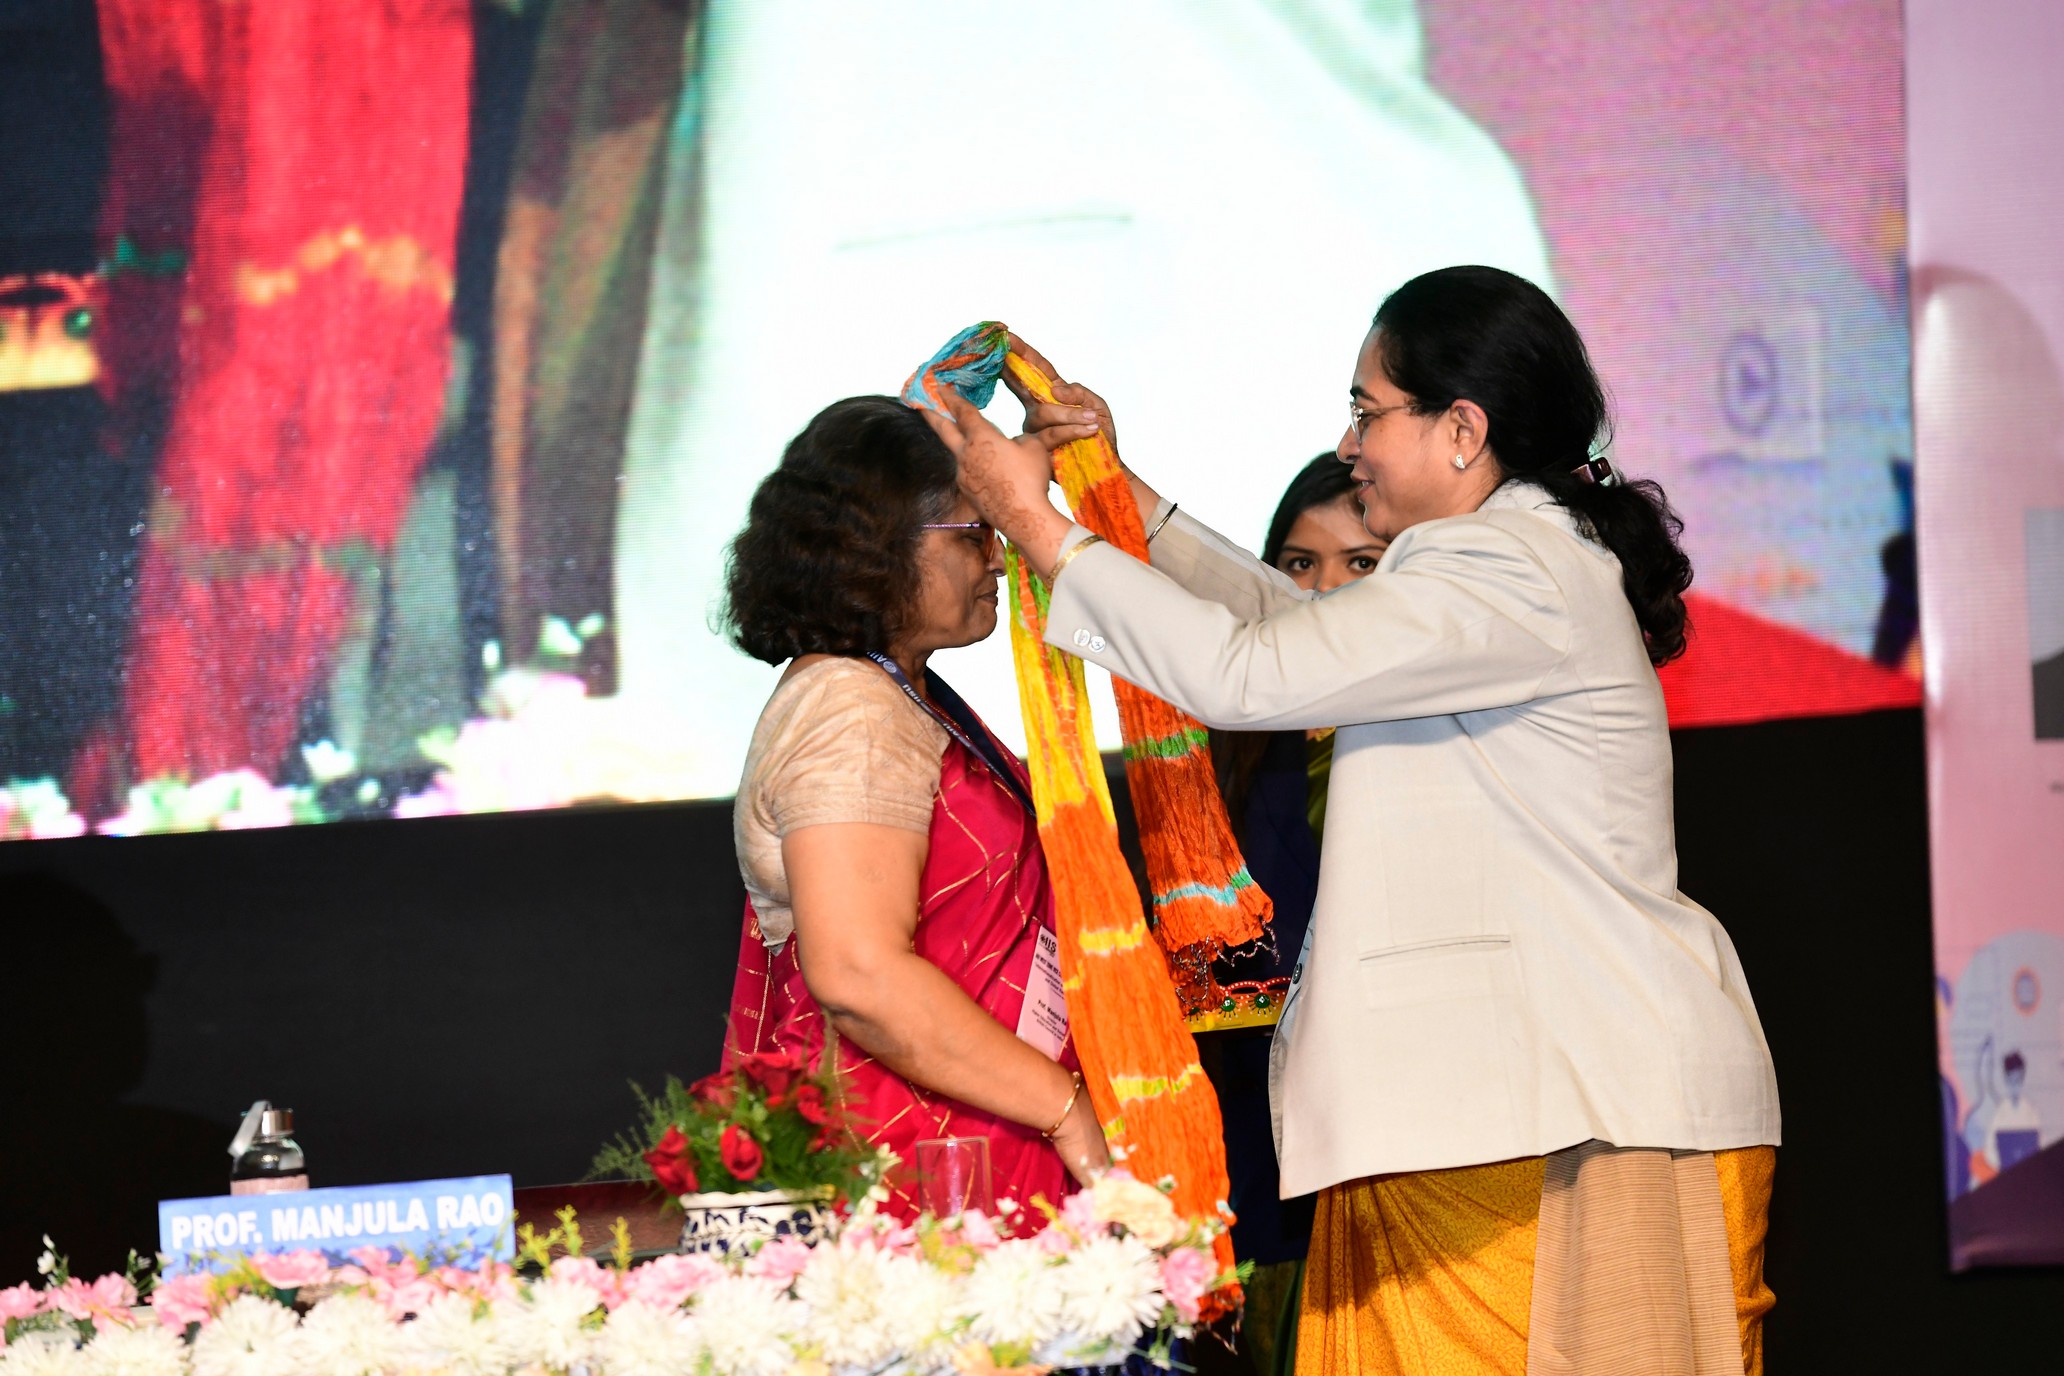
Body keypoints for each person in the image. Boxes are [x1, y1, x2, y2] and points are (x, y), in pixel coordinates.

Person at [929, 268, 1783, 1374]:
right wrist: (1118, 496)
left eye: (1369, 411)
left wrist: (1038, 526)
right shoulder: (1511, 560)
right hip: (1519, 1113)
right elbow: (1296, 632)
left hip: (1571, 1118)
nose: (1349, 446)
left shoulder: (1506, 565)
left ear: (1463, 430)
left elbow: (1250, 673)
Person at [718, 395, 1108, 1220]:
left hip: (972, 1130)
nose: (997, 560)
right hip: (916, 1170)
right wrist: (1068, 1110)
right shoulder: (849, 706)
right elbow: (859, 973)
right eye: (976, 532)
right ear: (881, 545)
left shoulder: (896, 692)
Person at [1197, 455, 1383, 1376]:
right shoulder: (1228, 739)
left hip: (1386, 1140)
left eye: (1362, 564)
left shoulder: (1427, 739)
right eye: (1299, 565)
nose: (1322, 592)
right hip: (1250, 1147)